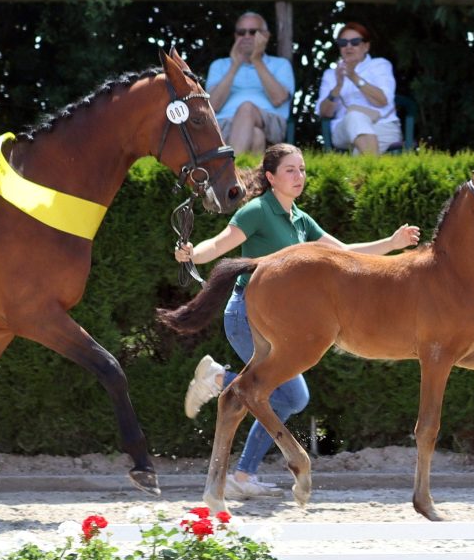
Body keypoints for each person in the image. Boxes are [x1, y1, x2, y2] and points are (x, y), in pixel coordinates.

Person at [175, 143, 420, 499]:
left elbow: (346, 254)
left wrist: (392, 242)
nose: (299, 176)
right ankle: (219, 383)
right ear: (271, 177)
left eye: (302, 170)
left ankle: (241, 473)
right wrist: (192, 253)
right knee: (283, 392)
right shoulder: (257, 211)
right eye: (290, 170)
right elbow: (219, 246)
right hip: (246, 314)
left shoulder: (300, 220)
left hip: (280, 320)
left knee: (291, 397)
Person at [206, 12, 294, 155]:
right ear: (235, 36)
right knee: (256, 136)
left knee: (246, 108)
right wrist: (234, 66)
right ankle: (243, 175)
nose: (247, 36)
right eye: (241, 32)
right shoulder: (219, 65)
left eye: (253, 32)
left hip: (271, 123)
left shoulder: (281, 64)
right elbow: (213, 105)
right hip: (224, 126)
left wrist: (256, 59)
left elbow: (278, 99)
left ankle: (229, 171)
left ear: (265, 36)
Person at [316, 22, 402, 155]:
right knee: (354, 117)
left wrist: (353, 77)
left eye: (355, 42)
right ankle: (374, 171)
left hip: (383, 125)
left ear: (366, 46)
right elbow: (324, 113)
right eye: (343, 43)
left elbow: (383, 100)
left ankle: (368, 171)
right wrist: (337, 87)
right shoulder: (330, 74)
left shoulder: (380, 65)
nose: (349, 47)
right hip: (344, 130)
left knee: (359, 151)